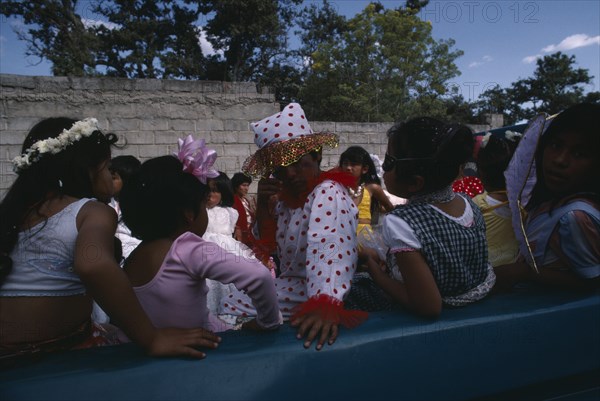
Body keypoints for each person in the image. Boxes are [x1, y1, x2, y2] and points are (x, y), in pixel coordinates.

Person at [0, 118, 220, 360]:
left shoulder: (12, 212)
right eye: (107, 167)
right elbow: (93, 264)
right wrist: (151, 337)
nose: (109, 176)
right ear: (87, 171)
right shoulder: (91, 211)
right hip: (59, 351)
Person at [220, 103, 368, 351]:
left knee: (235, 306)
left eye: (298, 162)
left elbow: (329, 247)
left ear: (317, 155)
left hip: (321, 291)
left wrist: (325, 303)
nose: (289, 174)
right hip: (294, 288)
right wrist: (265, 208)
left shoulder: (328, 192)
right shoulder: (286, 203)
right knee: (232, 299)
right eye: (279, 169)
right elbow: (268, 247)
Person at [119, 135, 281, 333]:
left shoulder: (135, 256)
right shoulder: (187, 248)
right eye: (203, 205)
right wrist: (267, 322)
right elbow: (260, 277)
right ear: (189, 214)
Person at [354, 117, 496, 317]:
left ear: (415, 183)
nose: (383, 170)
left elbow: (428, 306)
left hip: (444, 305)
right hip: (477, 296)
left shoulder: (402, 222)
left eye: (388, 162)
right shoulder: (469, 203)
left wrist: (376, 273)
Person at [494, 103, 600, 291]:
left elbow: (593, 283)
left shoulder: (574, 217)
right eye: (555, 145)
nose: (560, 160)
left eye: (579, 153)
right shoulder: (550, 202)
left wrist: (523, 273)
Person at [472, 131, 522, 267]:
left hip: (484, 273)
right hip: (513, 273)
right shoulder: (524, 206)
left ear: (481, 173)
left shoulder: (476, 204)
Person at [338, 146, 394, 234]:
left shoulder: (372, 188)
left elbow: (390, 209)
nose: (348, 168)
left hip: (365, 240)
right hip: (341, 237)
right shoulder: (336, 188)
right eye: (345, 163)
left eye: (353, 164)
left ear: (364, 169)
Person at [109, 155, 142, 263]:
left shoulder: (138, 205)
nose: (108, 181)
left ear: (127, 180)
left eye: (113, 178)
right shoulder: (107, 204)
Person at [231, 172, 257, 248]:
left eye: (247, 185)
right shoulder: (232, 201)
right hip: (238, 237)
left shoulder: (246, 201)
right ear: (236, 186)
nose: (246, 188)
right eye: (243, 185)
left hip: (249, 236)